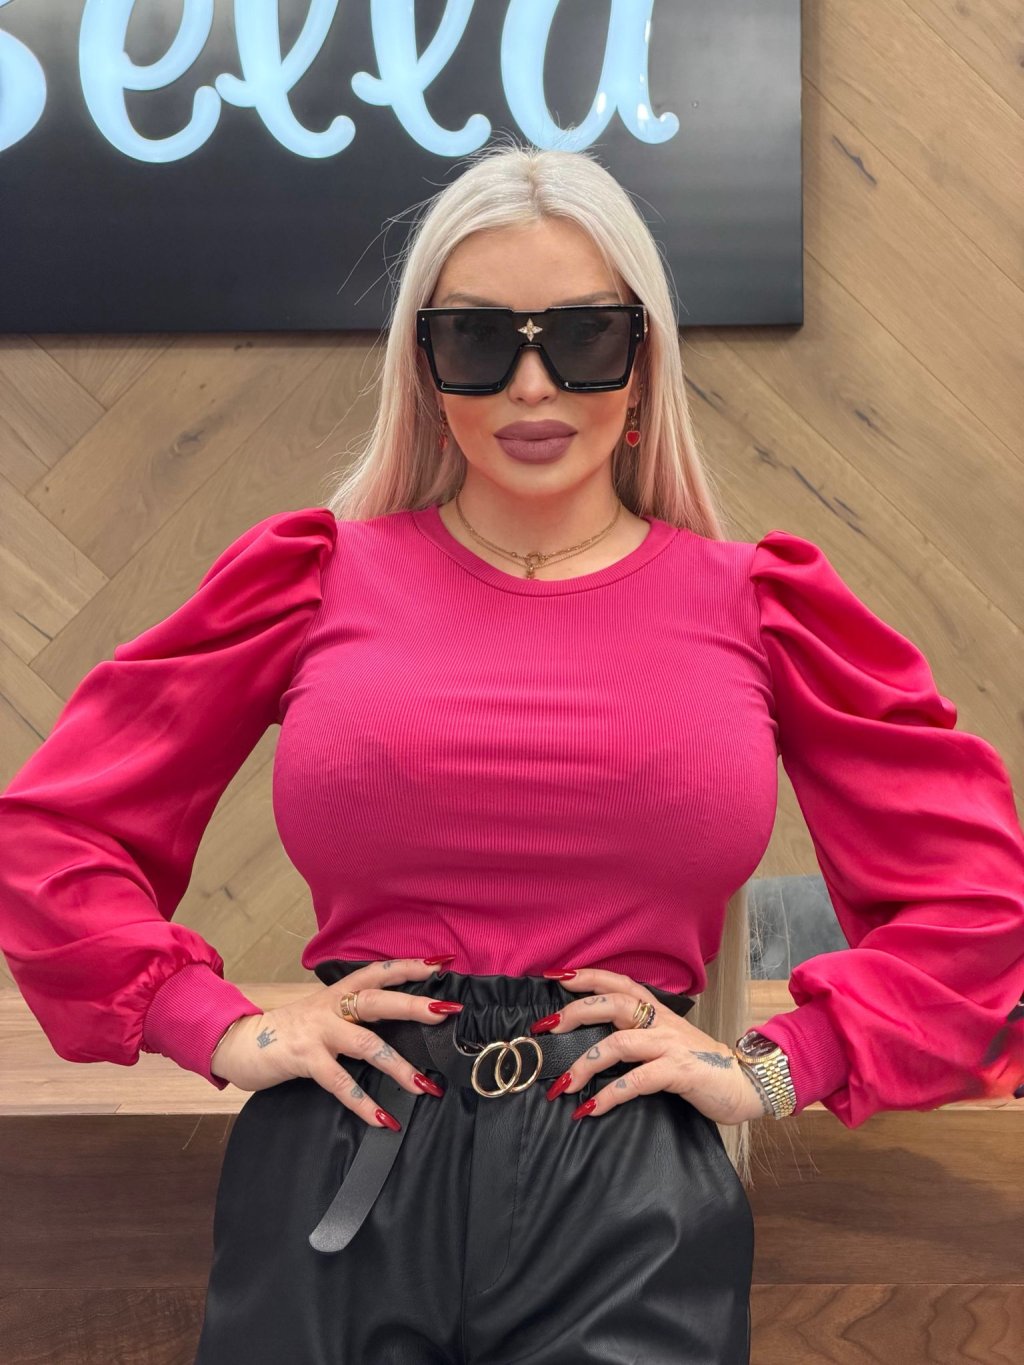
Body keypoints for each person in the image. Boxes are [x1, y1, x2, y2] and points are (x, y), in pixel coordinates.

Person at [1, 141, 1022, 1365]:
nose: (532, 384)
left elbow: (980, 904)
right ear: (425, 370)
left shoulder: (759, 608)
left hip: (626, 1189)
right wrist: (213, 1024)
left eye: (583, 336)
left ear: (643, 365)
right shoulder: (312, 580)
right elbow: (53, 832)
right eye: (478, 340)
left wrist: (780, 1065)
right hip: (340, 1162)